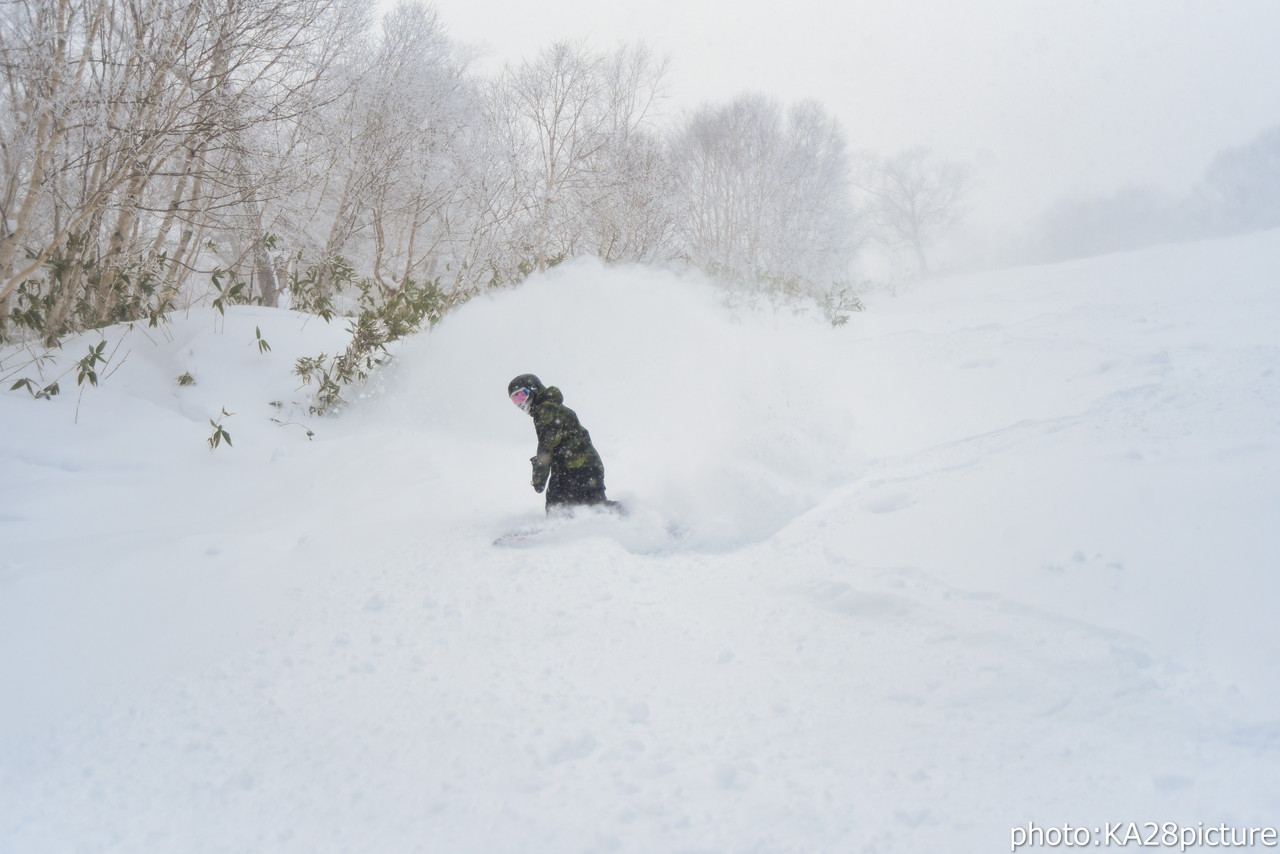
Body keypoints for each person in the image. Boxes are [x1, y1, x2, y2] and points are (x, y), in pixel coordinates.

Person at [507, 373, 613, 513]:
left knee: (557, 508)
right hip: (589, 467)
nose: (520, 403)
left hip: (573, 469)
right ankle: (622, 516)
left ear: (534, 390)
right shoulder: (552, 407)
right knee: (594, 507)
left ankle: (557, 529)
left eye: (521, 395)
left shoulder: (547, 410)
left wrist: (539, 478)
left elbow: (547, 444)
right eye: (515, 400)